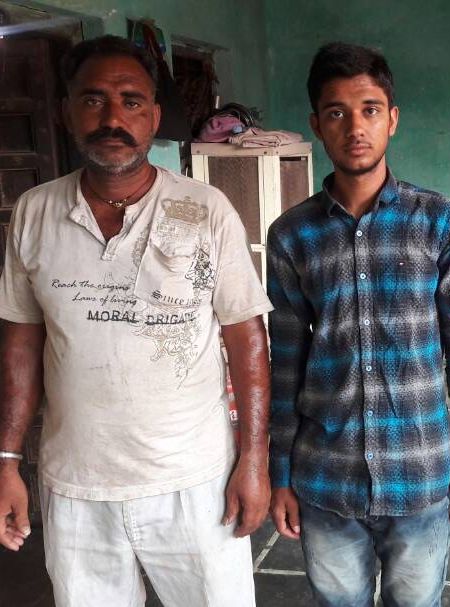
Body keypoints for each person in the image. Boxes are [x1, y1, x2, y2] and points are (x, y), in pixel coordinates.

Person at [0, 36, 273, 606]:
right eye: (93, 100)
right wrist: (7, 460)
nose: (112, 118)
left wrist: (254, 458)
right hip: (77, 487)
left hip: (194, 481)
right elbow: (22, 340)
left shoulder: (206, 210)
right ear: (66, 111)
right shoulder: (35, 212)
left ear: (153, 115)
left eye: (130, 101)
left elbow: (246, 336)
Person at [266, 42, 450, 606]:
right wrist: (281, 472)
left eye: (369, 109)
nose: (354, 127)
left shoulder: (439, 222)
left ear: (392, 118)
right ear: (317, 124)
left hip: (420, 470)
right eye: (336, 112)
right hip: (326, 475)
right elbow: (285, 363)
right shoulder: (292, 235)